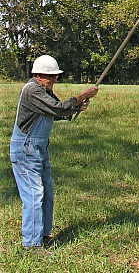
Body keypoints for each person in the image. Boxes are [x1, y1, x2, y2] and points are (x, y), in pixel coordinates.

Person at [9, 55, 99, 249]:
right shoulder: (32, 90)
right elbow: (57, 108)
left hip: (39, 149)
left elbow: (57, 112)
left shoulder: (45, 90)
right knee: (34, 195)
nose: (54, 80)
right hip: (25, 149)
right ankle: (32, 245)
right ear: (38, 75)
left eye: (55, 76)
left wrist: (77, 108)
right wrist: (84, 95)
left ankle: (44, 235)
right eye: (51, 77)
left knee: (47, 193)